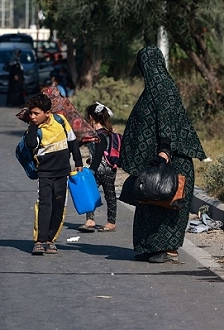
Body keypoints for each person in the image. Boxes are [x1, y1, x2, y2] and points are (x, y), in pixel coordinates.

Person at [120, 46, 206, 263]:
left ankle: (168, 249)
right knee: (151, 203)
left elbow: (167, 118)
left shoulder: (163, 87)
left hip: (171, 159)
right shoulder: (153, 88)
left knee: (167, 203)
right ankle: (150, 247)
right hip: (156, 160)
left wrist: (164, 150)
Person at [23, 93, 83, 255]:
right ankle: (40, 240)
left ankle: (51, 239)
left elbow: (72, 142)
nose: (33, 116)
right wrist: (33, 126)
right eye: (31, 113)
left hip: (62, 173)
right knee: (44, 205)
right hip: (44, 173)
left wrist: (78, 162)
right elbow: (30, 144)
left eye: (36, 113)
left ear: (47, 113)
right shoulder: (34, 128)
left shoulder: (60, 121)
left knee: (58, 205)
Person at [78, 102, 117, 233]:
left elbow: (99, 152)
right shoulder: (104, 133)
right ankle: (111, 222)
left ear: (90, 117)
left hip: (100, 169)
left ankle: (90, 220)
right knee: (110, 195)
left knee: (90, 193)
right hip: (110, 169)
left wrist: (92, 170)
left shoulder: (99, 135)